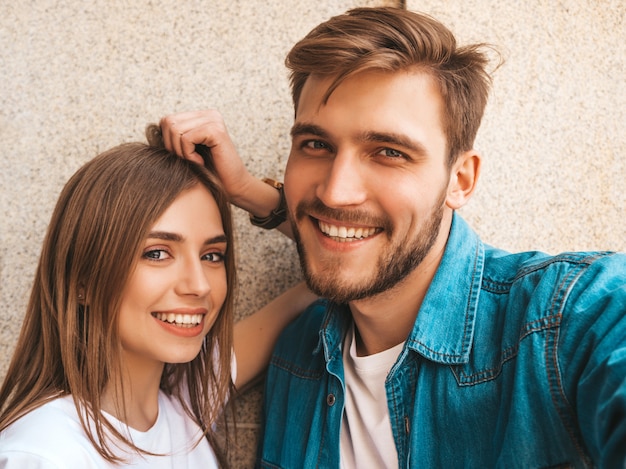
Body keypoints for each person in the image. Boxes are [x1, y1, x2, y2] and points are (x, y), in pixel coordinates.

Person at [159, 6, 626, 468]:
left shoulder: (563, 319)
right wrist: (246, 191)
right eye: (316, 145)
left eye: (388, 152)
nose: (336, 191)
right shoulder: (299, 353)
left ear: (460, 180)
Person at [0, 125, 315, 468]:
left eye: (212, 256)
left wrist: (247, 191)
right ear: (83, 281)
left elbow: (335, 275)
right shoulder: (44, 453)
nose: (199, 285)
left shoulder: (186, 399)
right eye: (157, 253)